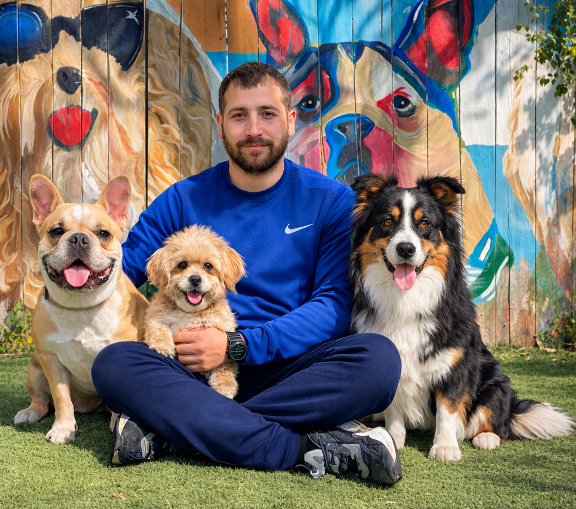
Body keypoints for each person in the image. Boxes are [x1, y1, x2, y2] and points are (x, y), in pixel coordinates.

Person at [91, 62, 403, 484]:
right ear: (221, 124)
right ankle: (304, 448)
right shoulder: (183, 198)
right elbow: (119, 275)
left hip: (288, 368)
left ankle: (171, 429)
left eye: (267, 114)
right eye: (239, 115)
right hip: (186, 365)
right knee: (114, 365)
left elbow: (332, 305)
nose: (254, 128)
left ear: (291, 120)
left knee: (378, 362)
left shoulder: (330, 201)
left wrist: (237, 346)